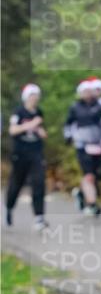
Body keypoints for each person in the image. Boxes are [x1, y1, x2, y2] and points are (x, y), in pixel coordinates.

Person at [64, 80, 101, 216]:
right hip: (83, 145)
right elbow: (68, 124)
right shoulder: (75, 108)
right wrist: (68, 137)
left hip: (98, 144)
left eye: (89, 91)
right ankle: (92, 204)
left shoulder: (99, 106)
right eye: (84, 92)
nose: (87, 94)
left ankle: (81, 193)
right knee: (89, 175)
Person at [6, 83, 48, 231]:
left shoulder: (39, 113)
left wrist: (40, 130)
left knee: (39, 183)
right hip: (20, 153)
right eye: (32, 95)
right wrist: (30, 125)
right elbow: (13, 131)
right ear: (26, 97)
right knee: (16, 184)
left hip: (36, 152)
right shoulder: (19, 112)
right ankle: (9, 208)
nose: (34, 98)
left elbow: (43, 133)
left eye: (36, 95)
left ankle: (39, 217)